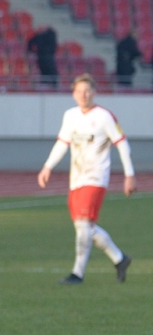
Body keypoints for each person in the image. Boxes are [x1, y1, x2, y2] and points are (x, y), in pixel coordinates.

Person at [37, 73, 135, 284]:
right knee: (85, 228)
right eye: (79, 91)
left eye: (87, 90)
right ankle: (120, 259)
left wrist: (130, 175)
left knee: (83, 225)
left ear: (95, 92)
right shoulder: (70, 115)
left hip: (96, 177)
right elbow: (63, 143)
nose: (84, 95)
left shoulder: (104, 116)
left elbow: (122, 144)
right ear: (73, 94)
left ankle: (77, 273)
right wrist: (48, 167)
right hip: (77, 179)